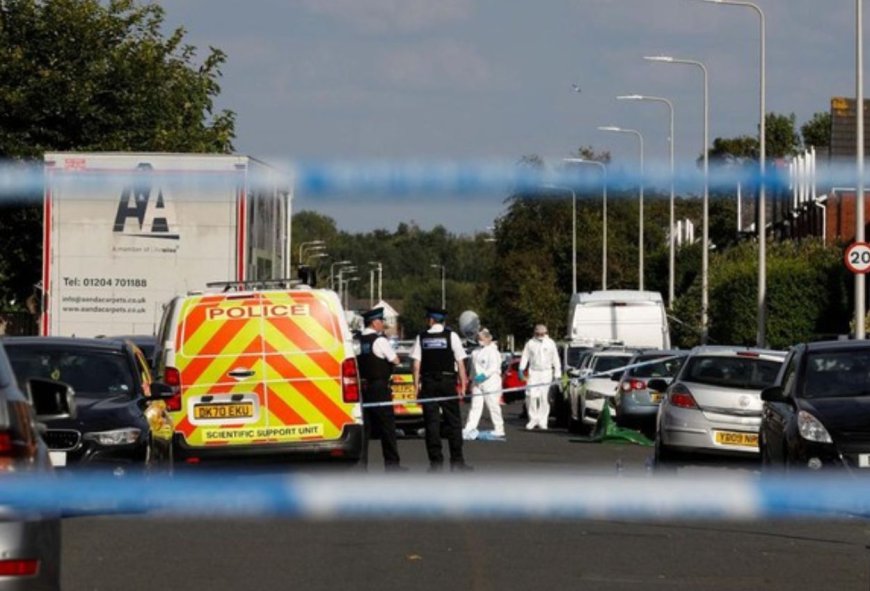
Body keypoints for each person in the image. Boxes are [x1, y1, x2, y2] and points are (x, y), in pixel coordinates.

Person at [410, 306, 472, 472]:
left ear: (431, 320)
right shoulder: (451, 336)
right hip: (447, 382)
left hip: (429, 383)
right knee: (453, 422)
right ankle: (457, 461)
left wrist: (416, 386)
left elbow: (416, 365)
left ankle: (436, 463)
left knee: (432, 424)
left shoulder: (421, 337)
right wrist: (463, 385)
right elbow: (460, 362)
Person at [356, 307, 406, 472]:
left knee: (365, 429)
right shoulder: (379, 340)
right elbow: (395, 359)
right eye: (381, 321)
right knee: (387, 428)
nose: (382, 324)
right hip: (379, 388)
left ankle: (362, 466)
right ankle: (392, 465)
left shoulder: (358, 341)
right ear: (374, 322)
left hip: (362, 388)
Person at [462, 327, 505, 439]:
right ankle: (470, 427)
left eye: (481, 338)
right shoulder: (476, 352)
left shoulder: (493, 351)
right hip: (477, 383)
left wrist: (483, 377)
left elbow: (493, 367)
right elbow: (473, 368)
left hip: (491, 383)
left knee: (493, 405)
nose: (479, 340)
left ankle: (499, 429)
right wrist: (471, 380)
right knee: (475, 406)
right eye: (478, 338)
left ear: (488, 338)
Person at [518, 323, 561, 430]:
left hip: (546, 372)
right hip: (534, 372)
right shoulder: (530, 343)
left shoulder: (550, 343)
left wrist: (557, 374)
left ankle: (543, 420)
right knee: (530, 395)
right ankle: (533, 419)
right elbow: (525, 357)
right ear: (535, 333)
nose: (541, 335)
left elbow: (556, 359)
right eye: (539, 333)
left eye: (543, 333)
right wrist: (521, 369)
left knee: (543, 397)